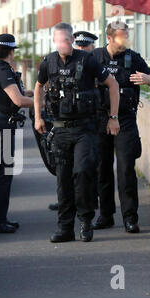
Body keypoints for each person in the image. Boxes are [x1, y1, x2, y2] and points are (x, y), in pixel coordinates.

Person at [34, 23, 120, 242]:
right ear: (54, 41)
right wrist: (38, 116)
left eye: (66, 40)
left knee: (82, 173)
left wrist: (113, 117)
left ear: (72, 40)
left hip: (85, 129)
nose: (63, 44)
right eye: (59, 40)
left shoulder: (87, 60)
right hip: (60, 129)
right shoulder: (48, 61)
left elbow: (112, 85)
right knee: (63, 180)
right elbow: (38, 87)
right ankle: (65, 228)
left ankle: (85, 221)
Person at [92, 22, 150, 233]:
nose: (126, 39)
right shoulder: (95, 57)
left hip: (125, 119)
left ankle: (130, 218)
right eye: (122, 36)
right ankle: (106, 215)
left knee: (125, 169)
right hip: (100, 118)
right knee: (102, 168)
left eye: (127, 35)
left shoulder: (133, 57)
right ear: (110, 38)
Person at [0, 33, 34, 234]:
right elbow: (18, 100)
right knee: (2, 175)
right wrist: (40, 102)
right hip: (0, 125)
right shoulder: (2, 71)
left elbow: (14, 95)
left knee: (0, 174)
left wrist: (31, 93)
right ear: (10, 52)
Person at [47, 30, 100, 212]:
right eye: (80, 45)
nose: (82, 48)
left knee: (86, 169)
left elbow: (105, 89)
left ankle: (89, 205)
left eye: (85, 45)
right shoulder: (57, 62)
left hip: (91, 122)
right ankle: (72, 205)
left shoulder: (91, 62)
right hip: (65, 125)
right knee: (66, 173)